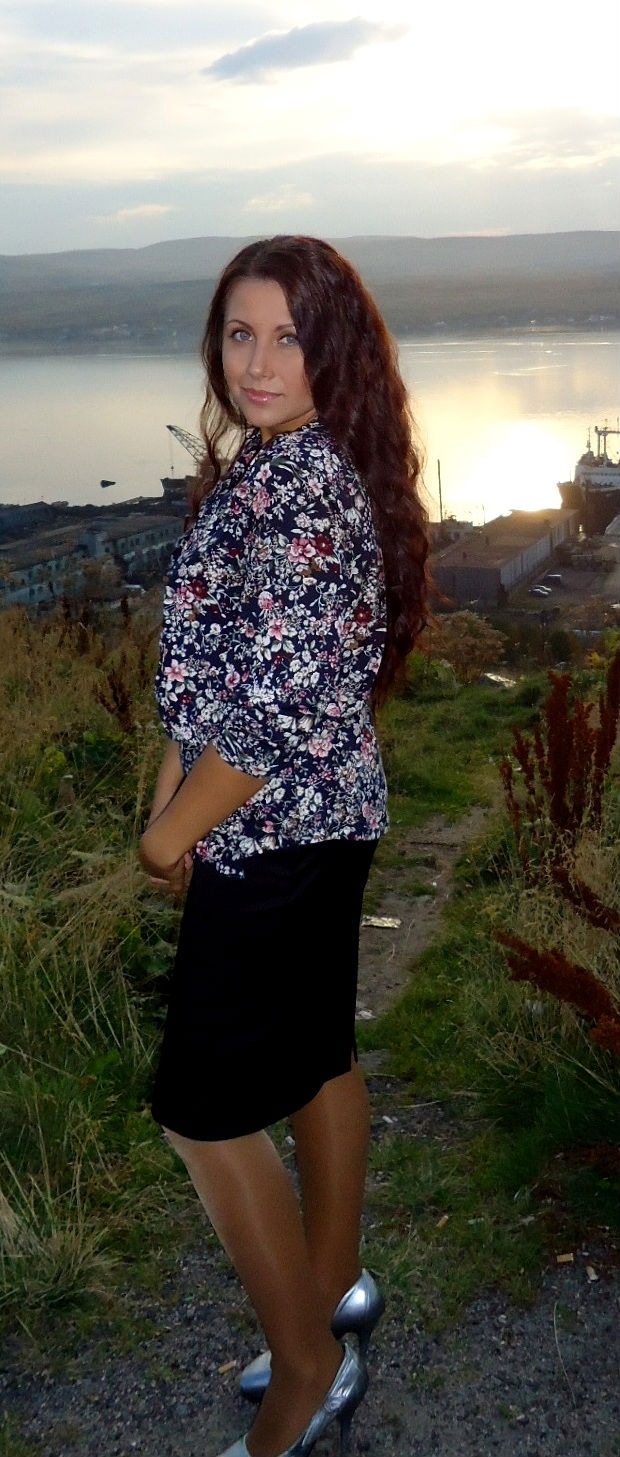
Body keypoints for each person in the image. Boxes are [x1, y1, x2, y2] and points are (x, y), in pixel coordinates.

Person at [139, 235, 428, 1457]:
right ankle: (332, 1284)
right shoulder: (289, 461)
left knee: (201, 1109)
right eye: (239, 334)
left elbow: (264, 717)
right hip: (318, 815)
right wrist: (174, 777)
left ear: (333, 349)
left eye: (288, 336)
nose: (256, 363)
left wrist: (169, 832)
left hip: (276, 832)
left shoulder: (300, 492)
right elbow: (223, 675)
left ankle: (306, 1369)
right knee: (313, 1056)